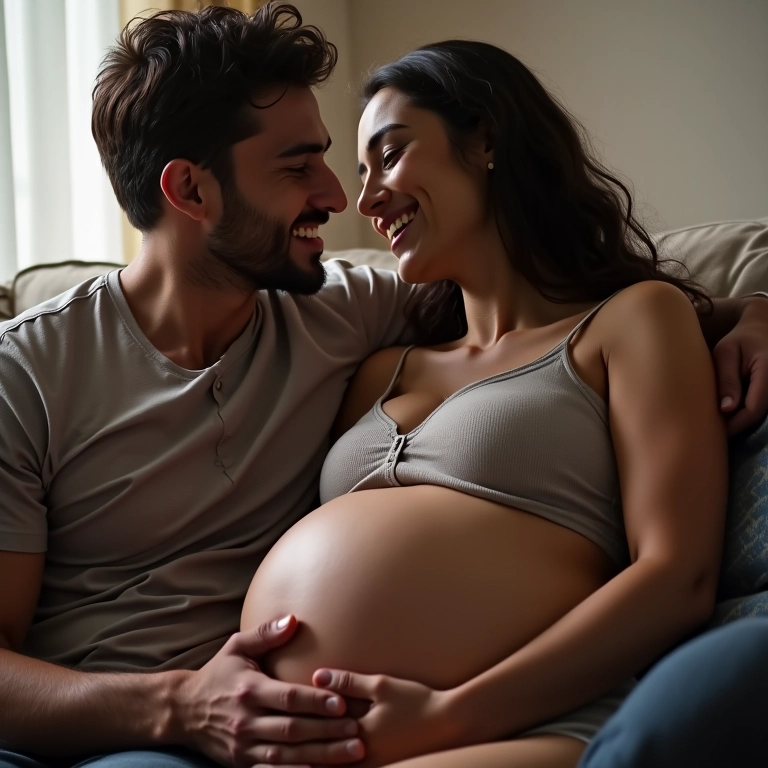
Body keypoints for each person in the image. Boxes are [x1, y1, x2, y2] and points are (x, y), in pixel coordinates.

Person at [0, 5, 765, 768]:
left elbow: (674, 561)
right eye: (303, 168)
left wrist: (760, 311)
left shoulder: (351, 313)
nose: (349, 200)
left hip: (468, 726)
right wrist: (180, 707)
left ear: (489, 141)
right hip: (200, 733)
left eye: (380, 158)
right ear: (191, 192)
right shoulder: (369, 352)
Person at [235, 38, 729, 768]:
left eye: (391, 155)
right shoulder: (380, 369)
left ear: (487, 139)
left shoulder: (632, 322)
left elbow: (677, 577)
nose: (365, 199)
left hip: (520, 729)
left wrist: (444, 718)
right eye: (363, 173)